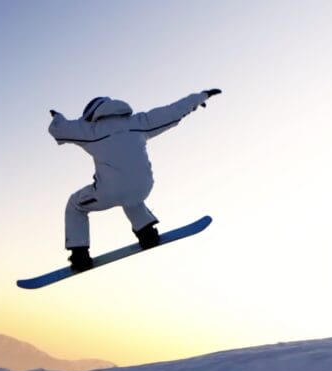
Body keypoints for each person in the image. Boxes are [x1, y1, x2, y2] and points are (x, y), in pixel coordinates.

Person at [48, 88, 221, 271]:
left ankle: (80, 256)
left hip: (109, 190)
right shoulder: (139, 122)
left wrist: (57, 117)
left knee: (75, 205)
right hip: (143, 186)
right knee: (132, 199)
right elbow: (173, 111)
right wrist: (200, 97)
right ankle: (147, 234)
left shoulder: (89, 131)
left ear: (91, 115)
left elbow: (58, 130)